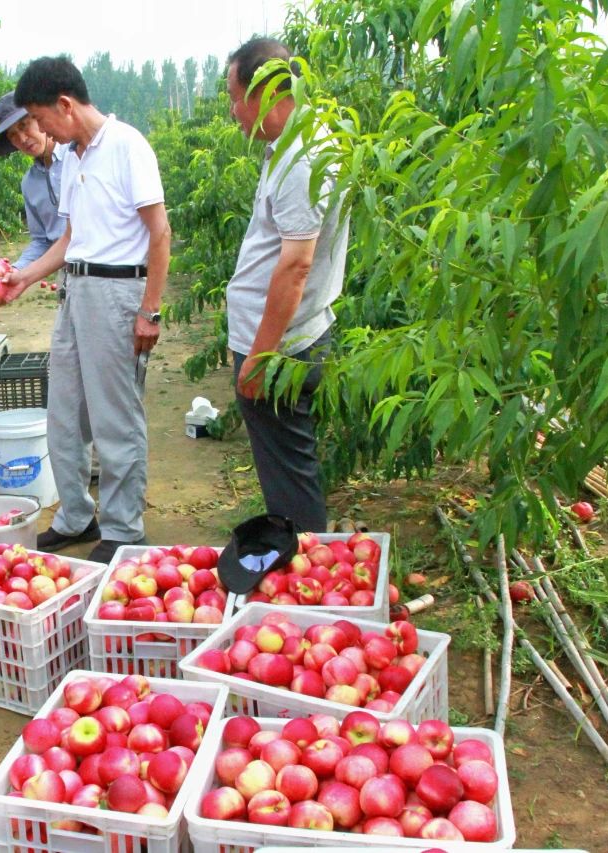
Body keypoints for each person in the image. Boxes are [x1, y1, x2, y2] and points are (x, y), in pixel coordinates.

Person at [0, 57, 172, 564]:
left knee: (115, 416)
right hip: (75, 291)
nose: (42, 131)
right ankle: (77, 515)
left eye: (41, 118)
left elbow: (159, 233)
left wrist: (151, 310)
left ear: (65, 106)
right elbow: (71, 238)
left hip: (117, 294)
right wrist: (25, 276)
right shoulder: (73, 157)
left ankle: (124, 527)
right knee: (65, 411)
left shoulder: (127, 147)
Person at [225, 37, 349, 532]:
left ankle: (308, 578)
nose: (234, 112)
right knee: (285, 470)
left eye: (235, 97)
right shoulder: (293, 149)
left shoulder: (302, 159)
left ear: (267, 89)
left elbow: (296, 266)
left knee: (291, 479)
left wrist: (261, 357)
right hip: (284, 339)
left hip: (283, 348)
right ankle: (300, 562)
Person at [0, 92, 69, 266]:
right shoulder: (30, 183)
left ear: (39, 119)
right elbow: (42, 240)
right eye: (13, 135)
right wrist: (16, 270)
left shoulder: (77, 157)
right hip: (68, 276)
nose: (22, 139)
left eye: (24, 126)